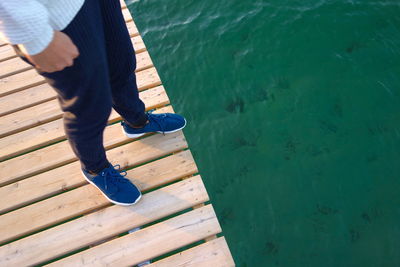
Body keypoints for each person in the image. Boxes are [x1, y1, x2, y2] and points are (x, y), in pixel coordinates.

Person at [0, 0, 186, 206]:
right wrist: (35, 37)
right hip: (56, 17)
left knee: (122, 64)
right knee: (90, 106)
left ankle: (137, 122)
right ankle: (95, 169)